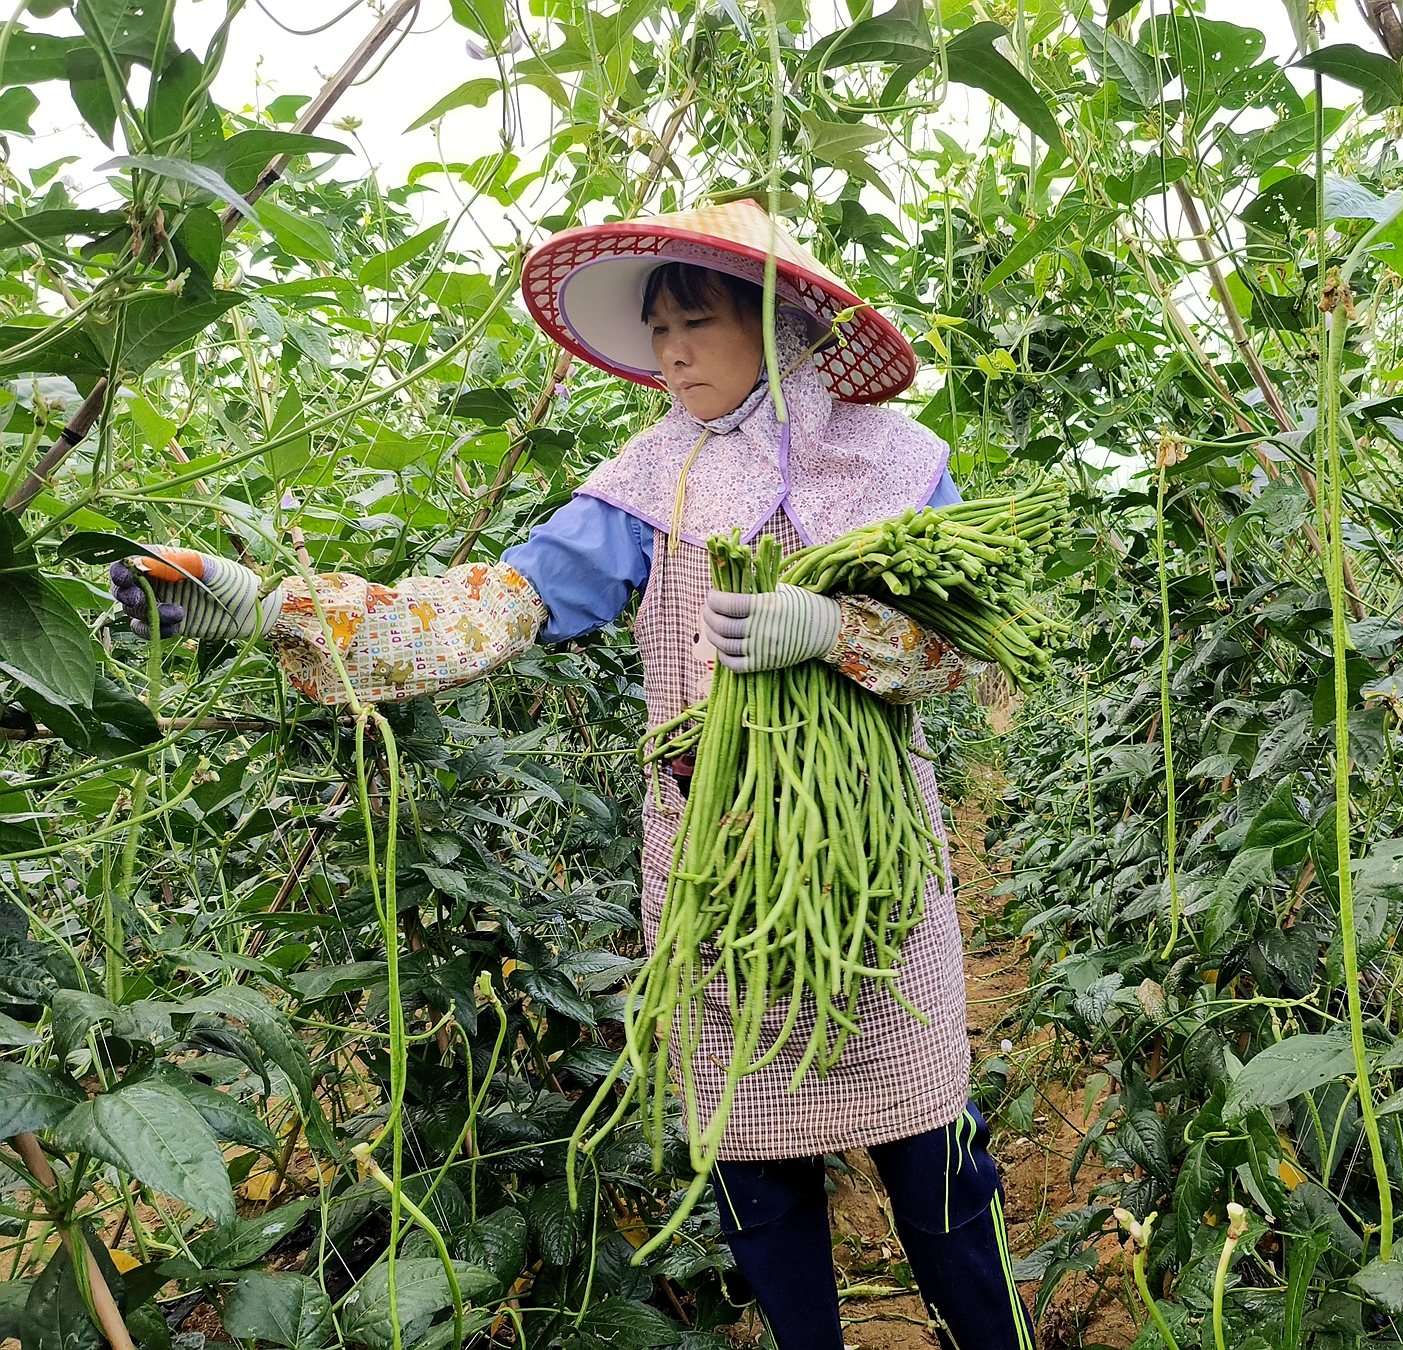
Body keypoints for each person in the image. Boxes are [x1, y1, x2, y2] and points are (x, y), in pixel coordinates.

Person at [110, 200, 1036, 1350]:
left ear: (780, 320)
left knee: (935, 1163)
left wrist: (838, 626)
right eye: (658, 331)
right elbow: (492, 609)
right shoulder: (651, 485)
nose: (672, 353)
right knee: (755, 1173)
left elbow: (963, 659)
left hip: (874, 883)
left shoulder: (897, 468)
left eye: (695, 321)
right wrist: (272, 607)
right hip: (717, 872)